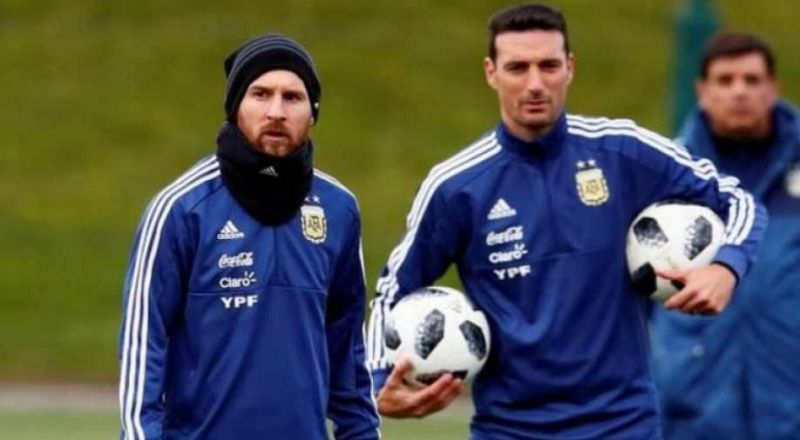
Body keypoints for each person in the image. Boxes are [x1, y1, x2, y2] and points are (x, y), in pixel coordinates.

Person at [365, 4, 766, 439]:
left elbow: (735, 198)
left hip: (624, 426)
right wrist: (375, 384)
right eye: (518, 67)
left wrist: (726, 266)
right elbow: (392, 290)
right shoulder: (456, 187)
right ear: (491, 72)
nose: (535, 83)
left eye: (549, 66)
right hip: (510, 430)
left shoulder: (622, 151)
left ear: (569, 68)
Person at [117, 34, 380, 439]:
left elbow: (348, 354)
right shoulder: (181, 208)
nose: (276, 111)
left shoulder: (338, 209)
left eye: (292, 97)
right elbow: (142, 348)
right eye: (260, 94)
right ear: (235, 105)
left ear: (313, 112)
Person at [651, 32, 800, 439]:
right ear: (702, 90)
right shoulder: (664, 178)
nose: (739, 92)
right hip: (695, 411)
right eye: (725, 80)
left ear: (773, 88)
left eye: (752, 80)